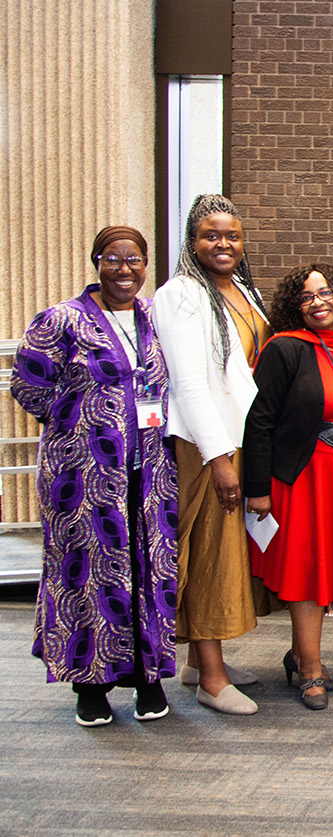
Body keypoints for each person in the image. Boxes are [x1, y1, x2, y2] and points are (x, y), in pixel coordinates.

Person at [13, 226, 177, 726]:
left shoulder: (156, 317)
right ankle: (90, 686)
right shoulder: (61, 320)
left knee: (149, 569)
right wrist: (82, 423)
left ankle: (147, 677)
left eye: (134, 260)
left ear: (146, 265)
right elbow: (27, 386)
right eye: (113, 259)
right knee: (87, 575)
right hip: (83, 479)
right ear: (96, 263)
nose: (124, 270)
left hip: (150, 474)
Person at [152, 194, 267, 716]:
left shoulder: (242, 289)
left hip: (240, 436)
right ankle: (212, 680)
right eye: (211, 235)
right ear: (192, 241)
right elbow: (190, 383)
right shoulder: (181, 295)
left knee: (228, 551)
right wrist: (218, 457)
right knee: (207, 552)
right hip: (203, 444)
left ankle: (200, 662)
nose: (224, 244)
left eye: (233, 235)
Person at [243, 264, 333, 710]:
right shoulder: (283, 349)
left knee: (328, 571)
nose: (317, 302)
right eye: (306, 297)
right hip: (303, 478)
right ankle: (311, 670)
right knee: (307, 574)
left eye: (325, 293)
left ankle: (301, 654)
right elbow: (258, 421)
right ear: (293, 306)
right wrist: (257, 488)